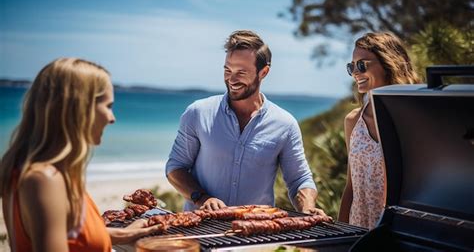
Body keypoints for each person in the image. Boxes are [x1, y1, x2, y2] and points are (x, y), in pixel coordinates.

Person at [0, 58, 161, 252]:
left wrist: (124, 233)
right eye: (108, 106)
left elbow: (69, 236)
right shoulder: (45, 180)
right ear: (80, 108)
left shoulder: (43, 172)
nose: (112, 118)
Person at [166, 30, 326, 216]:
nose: (232, 80)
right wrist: (202, 198)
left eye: (241, 72)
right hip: (201, 228)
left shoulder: (285, 124)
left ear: (263, 72)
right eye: (227, 70)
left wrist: (308, 209)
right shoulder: (197, 113)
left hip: (257, 232)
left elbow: (299, 180)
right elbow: (175, 168)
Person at [338, 32, 421, 229]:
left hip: (400, 233)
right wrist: (340, 232)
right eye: (352, 67)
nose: (356, 73)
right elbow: (351, 187)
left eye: (362, 64)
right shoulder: (353, 121)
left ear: (388, 63)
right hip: (360, 232)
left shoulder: (413, 119)